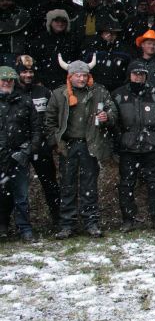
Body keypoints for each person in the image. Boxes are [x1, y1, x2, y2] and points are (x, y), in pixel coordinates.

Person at [45, 56, 117, 238]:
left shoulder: (99, 92)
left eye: (84, 75)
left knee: (89, 186)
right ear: (70, 77)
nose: (81, 78)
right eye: (77, 75)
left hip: (90, 145)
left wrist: (107, 117)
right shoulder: (59, 94)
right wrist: (56, 142)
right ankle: (67, 225)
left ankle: (91, 223)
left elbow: (113, 111)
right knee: (67, 186)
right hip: (68, 145)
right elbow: (49, 121)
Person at [112, 59, 155, 231]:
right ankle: (128, 219)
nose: (138, 77)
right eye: (135, 74)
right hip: (128, 147)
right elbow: (113, 121)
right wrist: (120, 138)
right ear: (129, 75)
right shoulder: (118, 95)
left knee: (154, 183)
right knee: (126, 184)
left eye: (142, 74)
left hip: (150, 146)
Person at [12, 56, 62, 227]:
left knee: (50, 184)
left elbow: (54, 117)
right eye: (24, 72)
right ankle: (10, 224)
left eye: (31, 71)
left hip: (41, 146)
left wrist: (52, 141)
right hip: (18, 146)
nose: (28, 75)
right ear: (18, 73)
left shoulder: (44, 92)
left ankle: (58, 220)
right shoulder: (11, 92)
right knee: (14, 187)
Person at [0, 66, 41, 242]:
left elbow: (37, 129)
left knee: (21, 195)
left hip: (19, 155)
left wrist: (29, 150)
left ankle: (25, 229)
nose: (7, 82)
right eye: (3, 79)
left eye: (10, 80)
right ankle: (2, 226)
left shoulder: (25, 101)